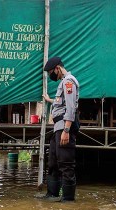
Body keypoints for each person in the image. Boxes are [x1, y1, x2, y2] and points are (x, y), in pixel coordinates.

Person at [37, 56, 80, 202]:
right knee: (53, 162)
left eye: (50, 72)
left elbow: (70, 107)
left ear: (57, 68)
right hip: (58, 127)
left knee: (66, 163)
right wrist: (50, 100)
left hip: (64, 126)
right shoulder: (63, 82)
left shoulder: (69, 82)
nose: (50, 75)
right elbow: (60, 103)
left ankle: (68, 199)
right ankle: (52, 194)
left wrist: (66, 131)